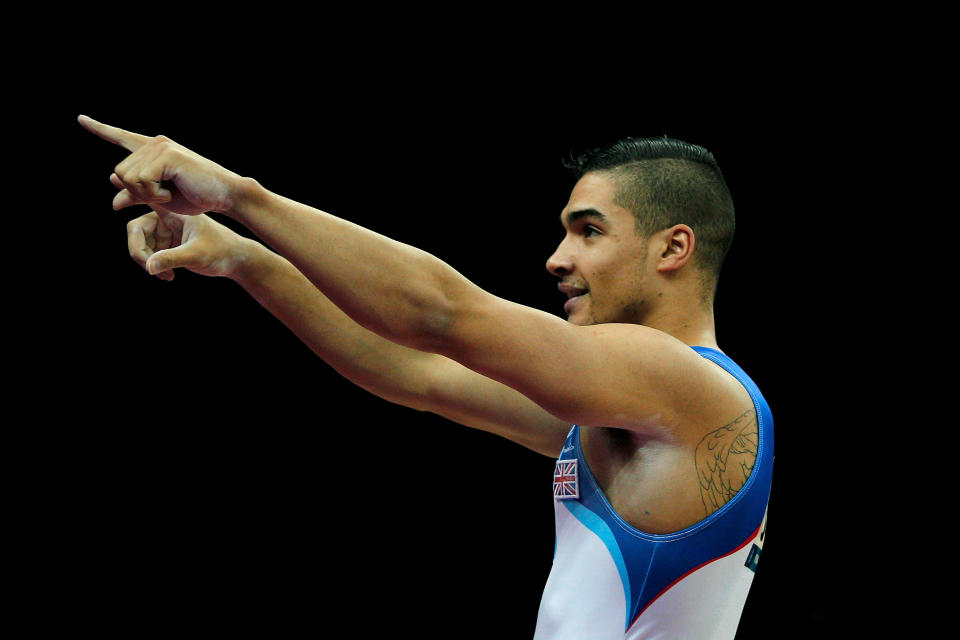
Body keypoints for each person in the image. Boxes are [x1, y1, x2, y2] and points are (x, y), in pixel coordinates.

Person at [79, 115, 774, 639]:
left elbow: (440, 316)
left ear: (674, 247)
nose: (557, 259)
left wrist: (239, 196)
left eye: (588, 231)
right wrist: (244, 260)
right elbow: (413, 370)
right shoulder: (626, 416)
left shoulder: (695, 390)